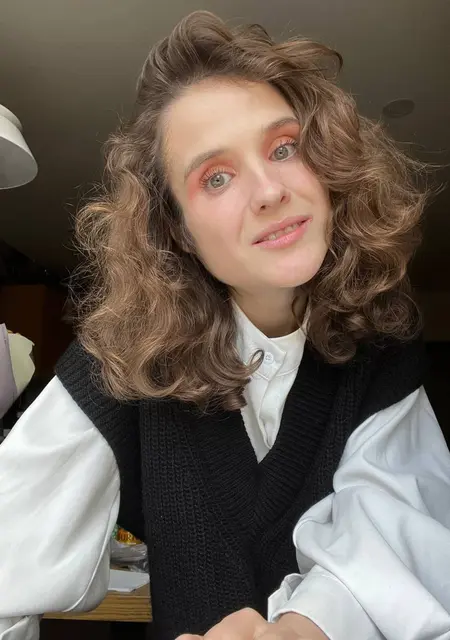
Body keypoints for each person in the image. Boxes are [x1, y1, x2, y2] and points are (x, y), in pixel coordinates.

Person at [1, 10, 450, 640]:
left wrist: (305, 629)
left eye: (284, 148)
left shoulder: (385, 353)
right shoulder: (117, 368)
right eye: (216, 177)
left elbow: (401, 539)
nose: (269, 191)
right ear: (179, 231)